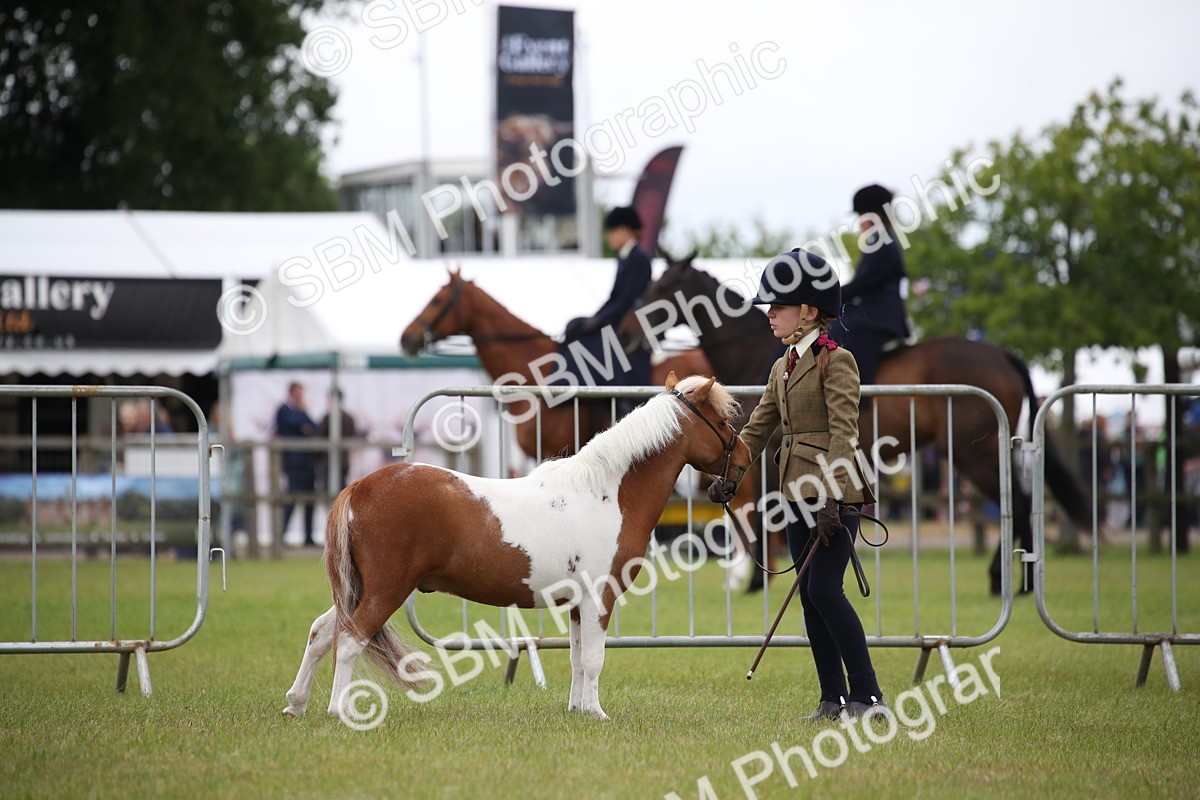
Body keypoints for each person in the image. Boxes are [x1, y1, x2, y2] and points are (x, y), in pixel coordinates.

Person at [713, 248, 886, 720]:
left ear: (809, 311)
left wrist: (830, 494)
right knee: (810, 597)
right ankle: (832, 699)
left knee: (827, 590)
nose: (769, 313)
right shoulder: (781, 366)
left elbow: (845, 431)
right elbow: (757, 428)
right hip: (793, 495)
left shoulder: (838, 361)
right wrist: (729, 476)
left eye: (779, 305)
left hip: (834, 495)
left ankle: (869, 697)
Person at [829, 184, 911, 401]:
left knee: (837, 332)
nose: (859, 221)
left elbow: (862, 284)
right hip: (874, 311)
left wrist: (827, 297)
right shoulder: (878, 240)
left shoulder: (883, 242)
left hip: (879, 315)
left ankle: (855, 400)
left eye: (861, 215)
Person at [560, 206, 653, 393]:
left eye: (612, 231)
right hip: (618, 317)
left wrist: (600, 321)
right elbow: (614, 297)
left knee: (602, 348)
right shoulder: (624, 258)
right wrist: (594, 318)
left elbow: (628, 300)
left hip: (630, 325)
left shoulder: (639, 259)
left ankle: (621, 399)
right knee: (575, 326)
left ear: (625, 230)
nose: (608, 237)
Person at [275, 382, 317, 547]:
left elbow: (312, 427)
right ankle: (281, 535)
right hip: (293, 463)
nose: (301, 396)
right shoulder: (284, 410)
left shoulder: (300, 411)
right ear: (291, 393)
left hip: (307, 463)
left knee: (310, 500)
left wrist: (303, 421)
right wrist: (302, 420)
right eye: (298, 393)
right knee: (291, 499)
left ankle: (308, 536)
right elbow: (294, 423)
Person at [315, 389, 360, 492]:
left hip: (329, 460)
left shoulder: (328, 417)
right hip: (343, 460)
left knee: (329, 489)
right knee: (342, 489)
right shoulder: (349, 417)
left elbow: (319, 438)